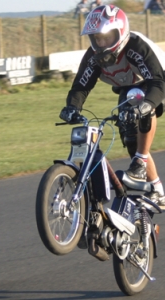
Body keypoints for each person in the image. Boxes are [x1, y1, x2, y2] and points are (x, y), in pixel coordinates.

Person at [59, 4, 165, 205]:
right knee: (130, 134)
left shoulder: (136, 46)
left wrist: (146, 105)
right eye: (97, 38)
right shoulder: (93, 56)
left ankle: (140, 163)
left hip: (158, 81)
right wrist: (72, 107)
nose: (101, 43)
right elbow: (81, 86)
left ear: (120, 32)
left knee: (138, 102)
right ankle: (157, 191)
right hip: (131, 84)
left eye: (106, 37)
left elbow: (158, 82)